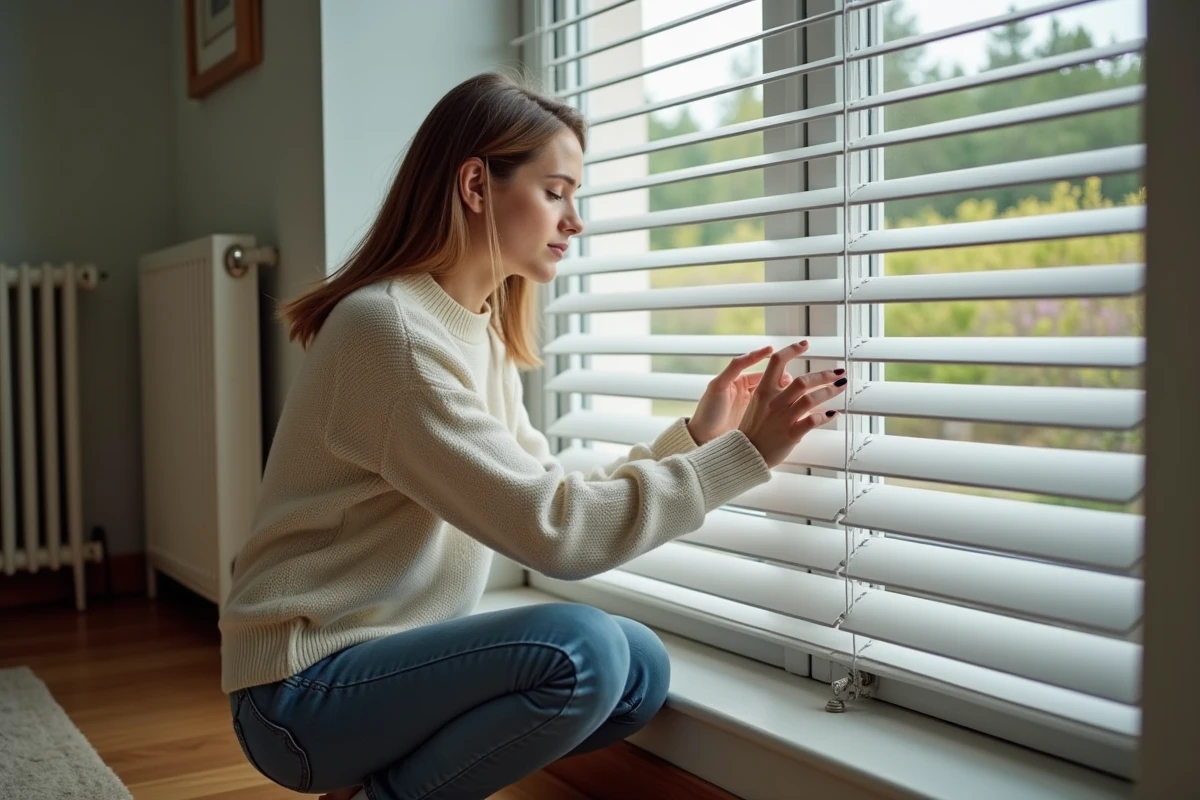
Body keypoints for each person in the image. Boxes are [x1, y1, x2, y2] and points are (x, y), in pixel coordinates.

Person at [219, 71, 846, 800]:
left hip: (378, 670)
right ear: (477, 186)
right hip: (300, 691)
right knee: (583, 651)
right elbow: (556, 536)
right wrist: (743, 458)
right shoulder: (391, 333)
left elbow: (546, 496)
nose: (574, 221)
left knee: (638, 669)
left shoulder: (469, 330)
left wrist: (697, 439)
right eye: (556, 192)